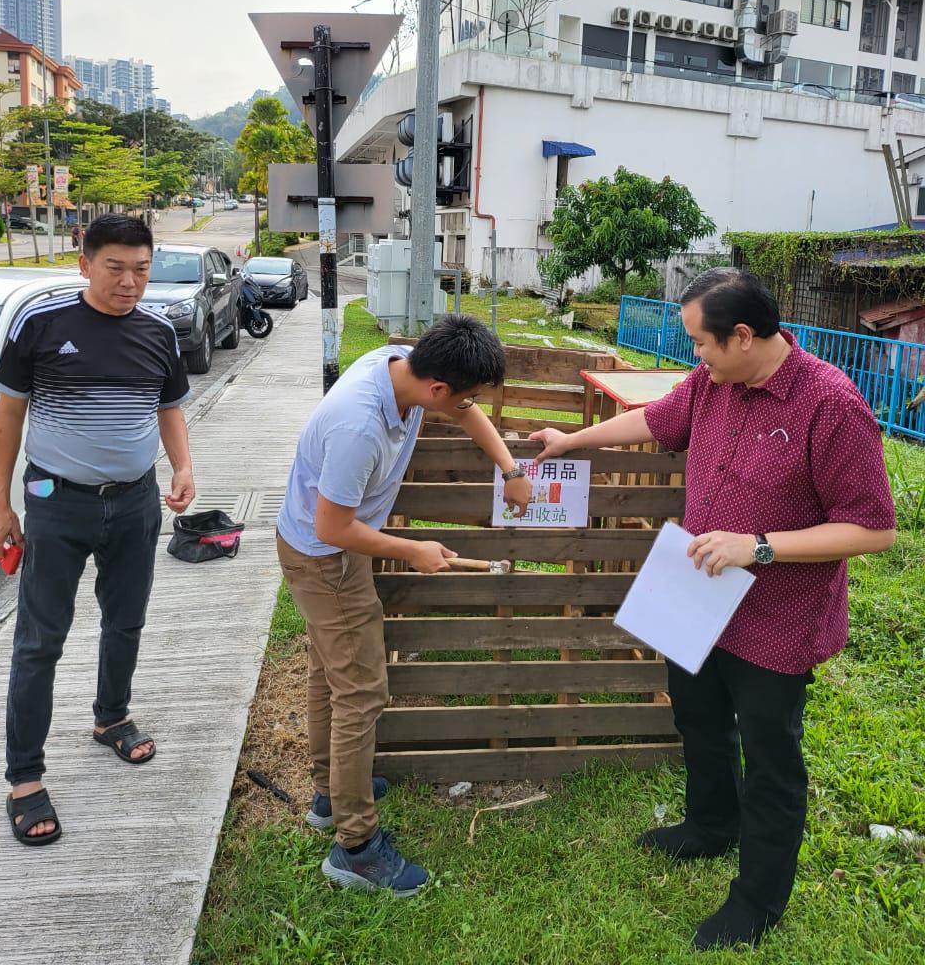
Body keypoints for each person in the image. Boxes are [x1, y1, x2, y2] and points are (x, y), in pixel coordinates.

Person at [530, 268, 895, 950]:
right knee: (696, 716)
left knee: (770, 757)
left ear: (744, 336)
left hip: (776, 620)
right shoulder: (714, 383)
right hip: (695, 595)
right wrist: (571, 441)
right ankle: (708, 826)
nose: (693, 354)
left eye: (700, 341)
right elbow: (660, 418)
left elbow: (874, 528)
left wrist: (756, 547)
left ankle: (756, 901)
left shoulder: (830, 405)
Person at [276, 314, 532, 897]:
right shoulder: (360, 425)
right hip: (325, 558)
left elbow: (468, 412)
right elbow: (333, 526)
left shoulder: (402, 367)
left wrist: (511, 470)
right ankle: (357, 847)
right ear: (437, 387)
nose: (467, 406)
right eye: (463, 397)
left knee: (330, 675)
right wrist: (411, 549)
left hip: (318, 551)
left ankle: (329, 793)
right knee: (362, 692)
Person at [0, 213, 196, 847]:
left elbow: (169, 407)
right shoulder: (42, 325)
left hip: (135, 504)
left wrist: (183, 465)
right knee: (39, 639)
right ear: (85, 262)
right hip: (55, 504)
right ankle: (24, 776)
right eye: (116, 267)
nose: (130, 282)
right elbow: (8, 418)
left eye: (141, 268)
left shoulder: (159, 331)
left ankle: (111, 718)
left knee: (125, 620)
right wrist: (0, 507)